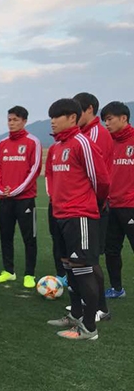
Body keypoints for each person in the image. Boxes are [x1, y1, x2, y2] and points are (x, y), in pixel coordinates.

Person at [45, 98, 109, 340]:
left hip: (80, 215)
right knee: (68, 269)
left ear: (73, 117)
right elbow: (51, 178)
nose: (52, 121)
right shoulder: (55, 148)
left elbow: (100, 180)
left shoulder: (83, 143)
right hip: (59, 215)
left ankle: (89, 327)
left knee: (83, 269)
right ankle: (76, 314)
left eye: (57, 116)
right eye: (50, 116)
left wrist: (96, 204)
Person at [0, 106, 42, 287]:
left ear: (24, 121)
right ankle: (8, 271)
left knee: (29, 238)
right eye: (9, 119)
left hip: (25, 199)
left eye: (15, 120)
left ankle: (29, 274)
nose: (11, 123)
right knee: (6, 236)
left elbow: (35, 169)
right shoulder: (2, 143)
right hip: (4, 199)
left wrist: (16, 190)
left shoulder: (32, 142)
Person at [74, 92, 112, 315]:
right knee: (81, 258)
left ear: (89, 109)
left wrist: (98, 202)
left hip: (93, 206)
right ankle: (87, 304)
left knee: (91, 258)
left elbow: (99, 176)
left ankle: (100, 308)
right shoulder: (84, 133)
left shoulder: (96, 134)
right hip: (82, 206)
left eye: (76, 110)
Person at [101, 101, 134, 299]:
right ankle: (116, 289)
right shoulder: (107, 142)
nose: (107, 123)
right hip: (111, 206)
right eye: (104, 119)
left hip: (131, 206)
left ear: (124, 118)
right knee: (111, 250)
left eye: (110, 119)